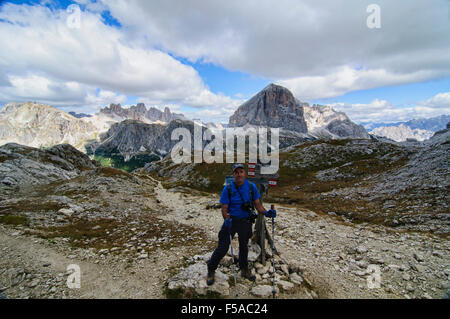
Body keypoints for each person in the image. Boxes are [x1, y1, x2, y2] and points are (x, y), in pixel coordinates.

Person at [206, 163, 276, 285]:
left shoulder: (251, 187)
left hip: (245, 222)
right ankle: (211, 269)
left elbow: (258, 206)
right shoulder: (228, 188)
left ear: (244, 173)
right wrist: (226, 219)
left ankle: (244, 270)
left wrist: (267, 213)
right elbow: (224, 208)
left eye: (241, 172)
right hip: (231, 222)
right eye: (236, 172)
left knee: (244, 246)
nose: (239, 174)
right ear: (233, 174)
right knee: (222, 247)